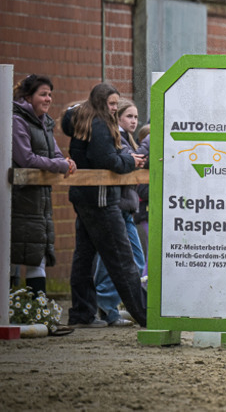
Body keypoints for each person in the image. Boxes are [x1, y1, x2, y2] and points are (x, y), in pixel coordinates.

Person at [62, 83, 147, 328]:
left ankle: (82, 313)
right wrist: (130, 160)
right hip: (101, 199)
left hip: (84, 197)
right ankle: (145, 314)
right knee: (122, 259)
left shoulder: (83, 120)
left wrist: (123, 158)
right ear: (101, 102)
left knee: (84, 258)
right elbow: (107, 160)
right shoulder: (99, 124)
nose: (114, 108)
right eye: (111, 103)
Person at [10, 74, 76, 297]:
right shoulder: (16, 120)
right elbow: (26, 159)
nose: (48, 99)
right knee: (13, 253)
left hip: (39, 199)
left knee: (37, 254)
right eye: (43, 94)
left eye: (50, 94)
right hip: (17, 198)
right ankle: (12, 307)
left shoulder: (46, 122)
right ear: (28, 97)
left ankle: (38, 308)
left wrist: (66, 162)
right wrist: (60, 165)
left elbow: (55, 154)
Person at [92, 98, 148, 326]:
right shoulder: (117, 138)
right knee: (119, 261)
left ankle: (106, 304)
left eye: (136, 117)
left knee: (130, 260)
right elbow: (131, 160)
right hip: (117, 207)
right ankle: (106, 304)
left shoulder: (128, 139)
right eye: (129, 116)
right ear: (118, 118)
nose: (134, 121)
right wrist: (152, 140)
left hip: (126, 208)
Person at [134, 123, 151, 259]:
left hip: (147, 211)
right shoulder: (143, 166)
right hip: (145, 211)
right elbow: (143, 191)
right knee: (151, 249)